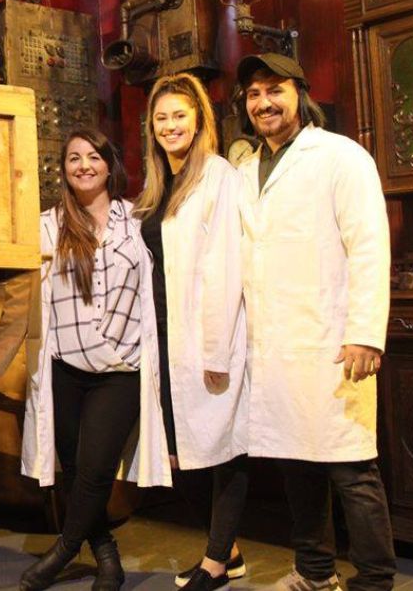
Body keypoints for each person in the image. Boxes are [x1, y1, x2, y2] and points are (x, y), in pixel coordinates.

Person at [234, 53, 395, 591]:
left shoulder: (341, 157)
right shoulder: (244, 172)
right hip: (274, 344)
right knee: (295, 463)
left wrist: (365, 334)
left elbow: (368, 246)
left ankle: (374, 580)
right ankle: (315, 572)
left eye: (274, 90)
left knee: (351, 466)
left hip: (332, 341)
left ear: (300, 95)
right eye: (254, 94)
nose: (264, 103)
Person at [19, 128, 170, 591]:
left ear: (109, 165)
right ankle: (107, 558)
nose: (83, 165)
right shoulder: (47, 225)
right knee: (75, 469)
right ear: (63, 169)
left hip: (120, 369)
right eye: (73, 158)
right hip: (64, 366)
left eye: (93, 157)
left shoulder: (137, 221)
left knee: (97, 468)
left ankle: (64, 550)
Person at [134, 73, 249, 591]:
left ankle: (216, 561)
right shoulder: (159, 184)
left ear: (199, 119)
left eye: (179, 115)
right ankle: (230, 550)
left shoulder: (218, 176)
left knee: (224, 446)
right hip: (163, 335)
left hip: (205, 333)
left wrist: (217, 349)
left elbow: (225, 264)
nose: (170, 126)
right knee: (180, 453)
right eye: (161, 118)